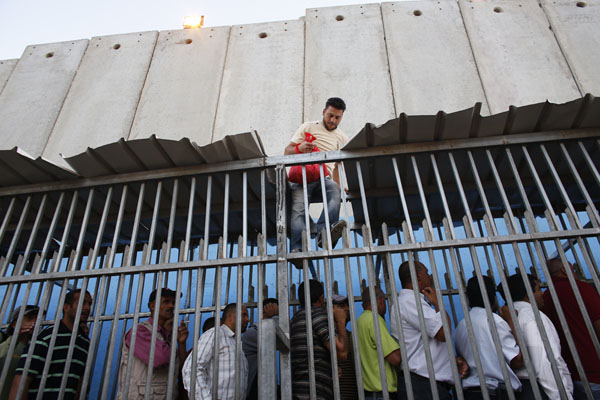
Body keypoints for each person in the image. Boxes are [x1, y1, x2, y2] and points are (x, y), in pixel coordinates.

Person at [285, 97, 349, 267]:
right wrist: (299, 148)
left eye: (337, 117)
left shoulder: (342, 137)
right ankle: (297, 251)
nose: (333, 120)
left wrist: (343, 185)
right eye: (330, 115)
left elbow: (336, 165)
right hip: (303, 177)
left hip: (323, 178)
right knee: (298, 210)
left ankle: (324, 234)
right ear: (323, 112)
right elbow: (287, 151)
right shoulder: (308, 126)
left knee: (335, 191)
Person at [391, 261, 468, 400]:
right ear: (418, 277)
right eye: (427, 273)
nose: (430, 277)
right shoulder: (410, 301)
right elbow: (443, 333)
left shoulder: (412, 301)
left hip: (424, 383)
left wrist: (451, 360)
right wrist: (438, 303)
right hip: (422, 386)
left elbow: (424, 343)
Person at [500, 273, 573, 399]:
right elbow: (545, 362)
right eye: (539, 289)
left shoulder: (502, 317)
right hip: (540, 389)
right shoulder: (533, 317)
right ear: (529, 294)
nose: (542, 293)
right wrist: (561, 396)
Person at [10, 289, 92, 400]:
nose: (87, 308)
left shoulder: (84, 342)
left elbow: (79, 383)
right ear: (66, 307)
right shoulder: (47, 337)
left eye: (89, 303)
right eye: (82, 303)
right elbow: (21, 381)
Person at [455, 275, 523, 399]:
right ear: (493, 296)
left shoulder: (461, 325)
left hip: (471, 392)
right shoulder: (494, 321)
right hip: (495, 392)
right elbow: (517, 361)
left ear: (467, 297)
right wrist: (511, 321)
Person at [541, 258, 600, 399]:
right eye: (572, 269)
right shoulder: (582, 289)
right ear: (564, 270)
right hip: (595, 370)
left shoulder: (546, 297)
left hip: (569, 373)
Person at [116, 288, 189, 399]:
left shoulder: (168, 336)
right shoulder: (140, 331)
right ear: (152, 306)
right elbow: (158, 358)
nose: (171, 306)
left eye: (173, 303)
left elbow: (183, 370)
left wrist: (181, 343)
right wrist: (167, 329)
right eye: (166, 302)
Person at [290, 279, 348, 399]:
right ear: (321, 298)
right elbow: (342, 352)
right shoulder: (317, 314)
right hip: (316, 391)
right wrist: (341, 320)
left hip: (298, 390)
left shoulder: (294, 320)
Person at [182, 303, 250, 400]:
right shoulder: (215, 334)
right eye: (244, 315)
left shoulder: (235, 342)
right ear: (230, 317)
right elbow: (191, 369)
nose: (248, 319)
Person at [357, 286, 401, 399]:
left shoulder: (359, 322)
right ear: (381, 301)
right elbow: (395, 358)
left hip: (367, 392)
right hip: (381, 392)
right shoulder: (374, 320)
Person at [242, 298, 279, 400]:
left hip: (265, 388)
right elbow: (278, 334)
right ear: (264, 312)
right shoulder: (252, 333)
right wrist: (274, 316)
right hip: (253, 391)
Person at [0, 305, 40, 399]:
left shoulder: (36, 349)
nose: (34, 323)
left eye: (37, 319)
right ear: (14, 324)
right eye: (29, 318)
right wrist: (16, 339)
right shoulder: (3, 340)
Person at [332, 294, 358, 400]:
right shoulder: (327, 334)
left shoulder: (351, 335)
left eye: (347, 305)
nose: (347, 308)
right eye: (342, 306)